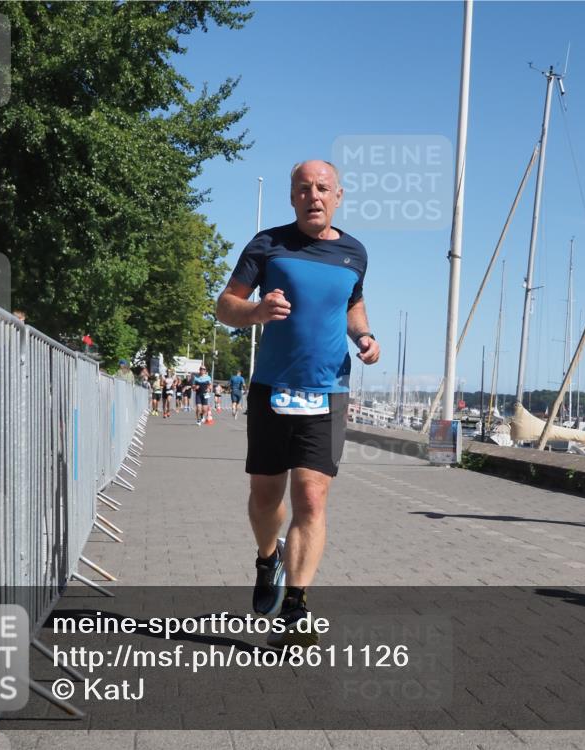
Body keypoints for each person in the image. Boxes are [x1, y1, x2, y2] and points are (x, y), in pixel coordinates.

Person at [216, 159, 380, 647]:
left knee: (311, 496)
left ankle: (296, 607)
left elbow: (353, 303)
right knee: (267, 496)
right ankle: (268, 559)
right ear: (292, 197)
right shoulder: (267, 244)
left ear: (339, 196)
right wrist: (256, 310)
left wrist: (365, 335)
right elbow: (226, 305)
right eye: (304, 188)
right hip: (271, 388)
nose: (314, 196)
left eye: (323, 188)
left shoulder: (354, 252)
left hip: (328, 391)